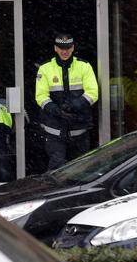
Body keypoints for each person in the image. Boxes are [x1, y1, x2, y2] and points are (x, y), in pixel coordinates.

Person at [35, 33, 98, 170]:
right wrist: (56, 110)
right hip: (55, 130)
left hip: (79, 129)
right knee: (57, 167)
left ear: (73, 48)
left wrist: (73, 106)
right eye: (61, 48)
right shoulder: (45, 68)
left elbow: (93, 93)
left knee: (81, 169)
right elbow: (40, 96)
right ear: (55, 48)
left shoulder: (84, 66)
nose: (65, 51)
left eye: (68, 48)